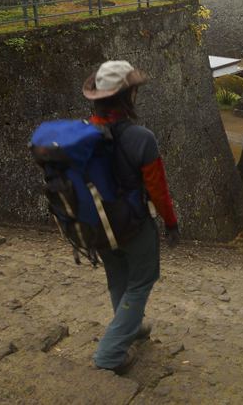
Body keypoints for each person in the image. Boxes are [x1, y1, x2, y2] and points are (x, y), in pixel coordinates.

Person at [82, 60, 181, 376]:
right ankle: (111, 353)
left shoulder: (85, 133)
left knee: (118, 276)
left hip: (99, 224)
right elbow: (158, 191)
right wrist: (171, 224)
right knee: (140, 282)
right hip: (133, 226)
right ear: (129, 94)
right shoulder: (142, 137)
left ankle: (131, 327)